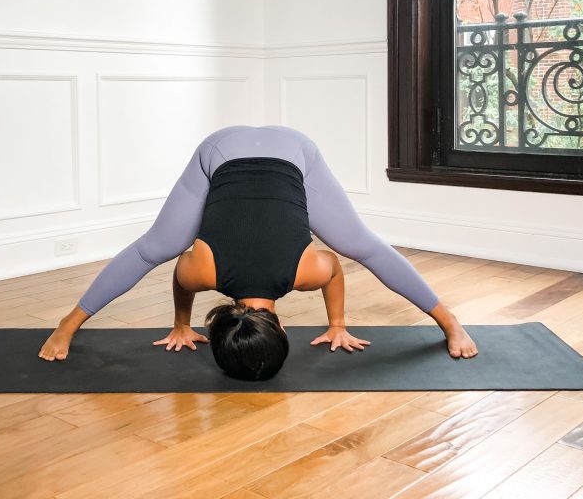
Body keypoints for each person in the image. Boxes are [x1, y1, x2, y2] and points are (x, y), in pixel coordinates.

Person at [38, 125, 478, 378]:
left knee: (160, 247)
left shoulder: (305, 272)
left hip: (257, 150)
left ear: (283, 328)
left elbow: (335, 270)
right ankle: (66, 324)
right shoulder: (203, 270)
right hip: (253, 150)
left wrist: (338, 323)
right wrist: (181, 324)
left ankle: (451, 322)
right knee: (161, 248)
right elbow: (180, 275)